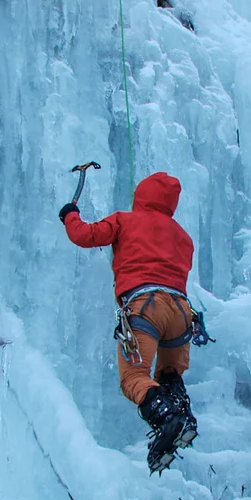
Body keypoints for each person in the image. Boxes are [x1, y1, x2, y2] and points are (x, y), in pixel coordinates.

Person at [60, 168, 199, 471]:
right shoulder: (184, 238)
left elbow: (84, 235)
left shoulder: (125, 219)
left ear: (141, 194)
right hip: (182, 313)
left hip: (145, 307)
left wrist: (70, 214)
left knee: (134, 378)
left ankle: (168, 419)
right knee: (168, 375)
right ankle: (182, 417)